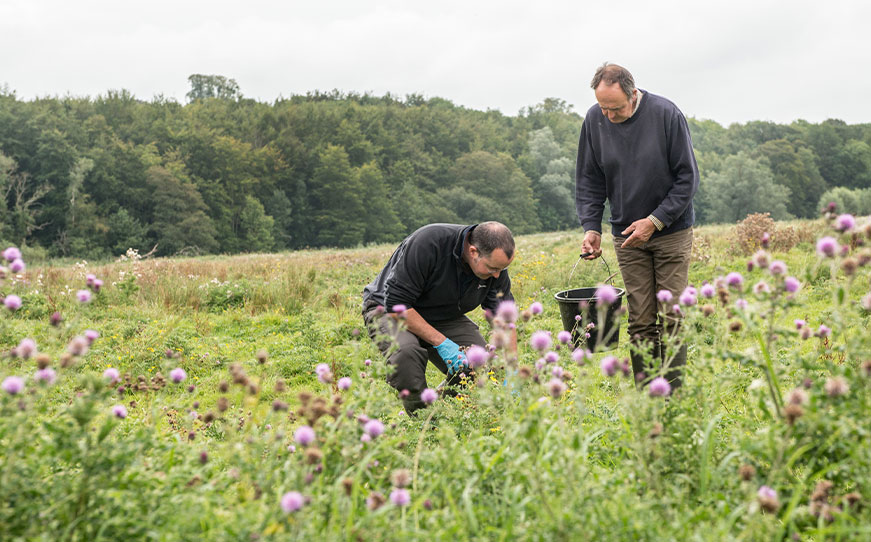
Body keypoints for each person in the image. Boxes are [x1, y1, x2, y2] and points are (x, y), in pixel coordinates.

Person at [575, 63, 699, 388]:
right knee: (641, 320)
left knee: (671, 316)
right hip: (627, 237)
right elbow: (590, 179)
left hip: (671, 231)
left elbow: (688, 179)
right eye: (603, 107)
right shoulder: (594, 120)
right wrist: (591, 226)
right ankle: (648, 396)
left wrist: (654, 221)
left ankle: (674, 395)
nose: (608, 115)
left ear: (633, 94)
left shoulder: (666, 115)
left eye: (614, 108)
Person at [362, 222, 516, 413]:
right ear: (474, 251)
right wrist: (442, 343)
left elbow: (505, 319)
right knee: (406, 355)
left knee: (478, 362)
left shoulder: (495, 269)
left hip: (442, 314)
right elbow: (396, 305)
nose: (497, 275)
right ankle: (423, 421)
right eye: (492, 268)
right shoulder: (429, 243)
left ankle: (442, 408)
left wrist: (511, 367)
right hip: (388, 310)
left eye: (502, 269)